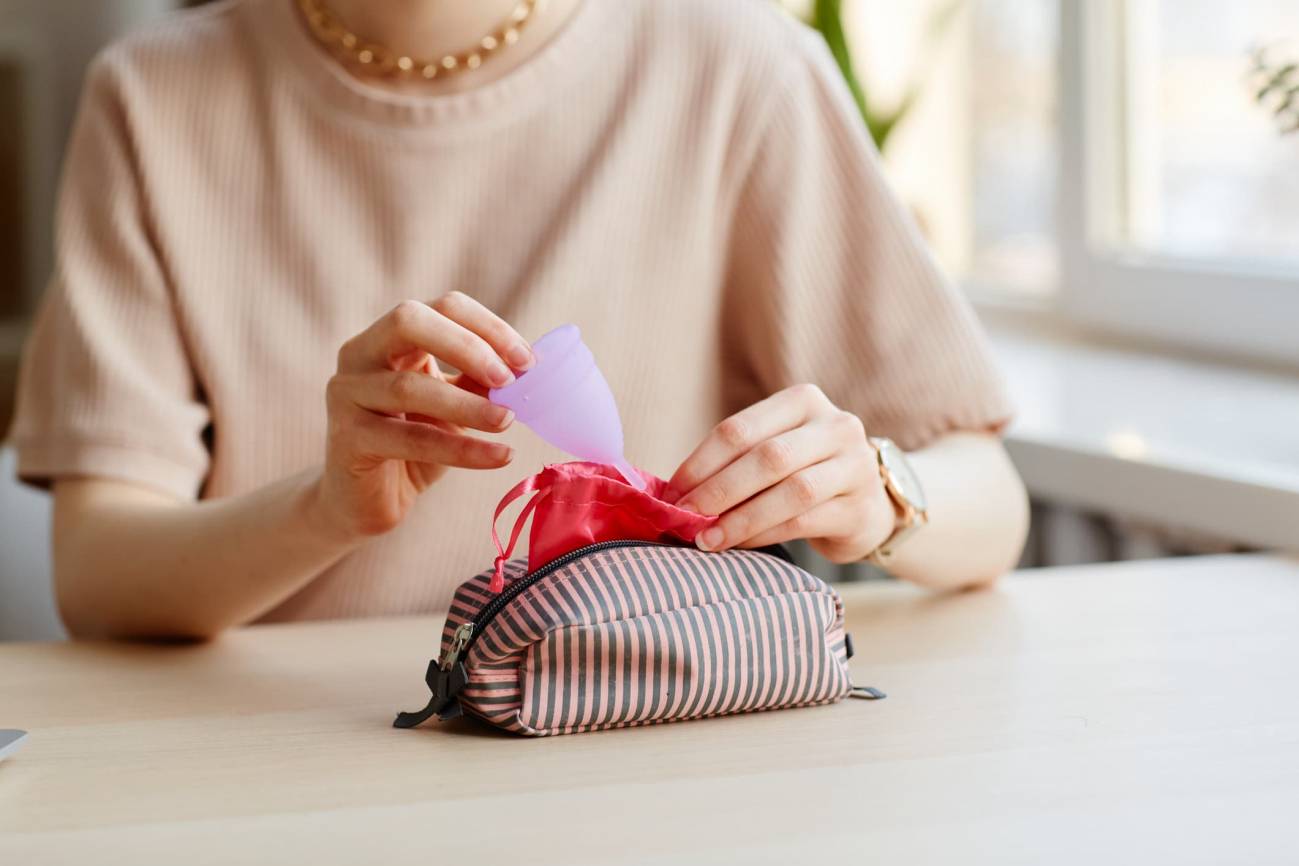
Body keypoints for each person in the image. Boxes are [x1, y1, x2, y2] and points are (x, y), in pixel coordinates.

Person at [10, 0, 1028, 639]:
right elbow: (99, 571)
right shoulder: (151, 98)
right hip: (284, 772)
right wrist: (329, 508)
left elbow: (991, 504)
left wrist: (878, 492)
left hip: (637, 765)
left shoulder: (742, 67)